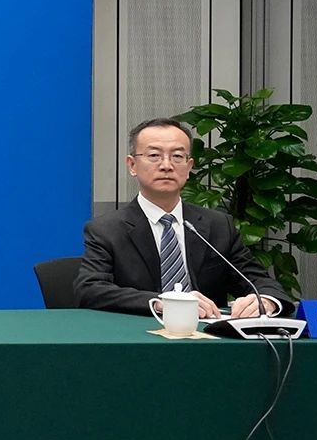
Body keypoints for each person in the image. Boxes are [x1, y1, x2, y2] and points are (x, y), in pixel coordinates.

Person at [75, 117, 291, 318]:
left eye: (177, 156)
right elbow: (90, 290)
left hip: (207, 335)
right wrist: (163, 302)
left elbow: (259, 281)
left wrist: (266, 301)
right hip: (140, 336)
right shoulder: (107, 229)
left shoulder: (218, 226)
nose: (166, 165)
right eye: (154, 155)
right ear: (132, 165)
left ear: (188, 167)